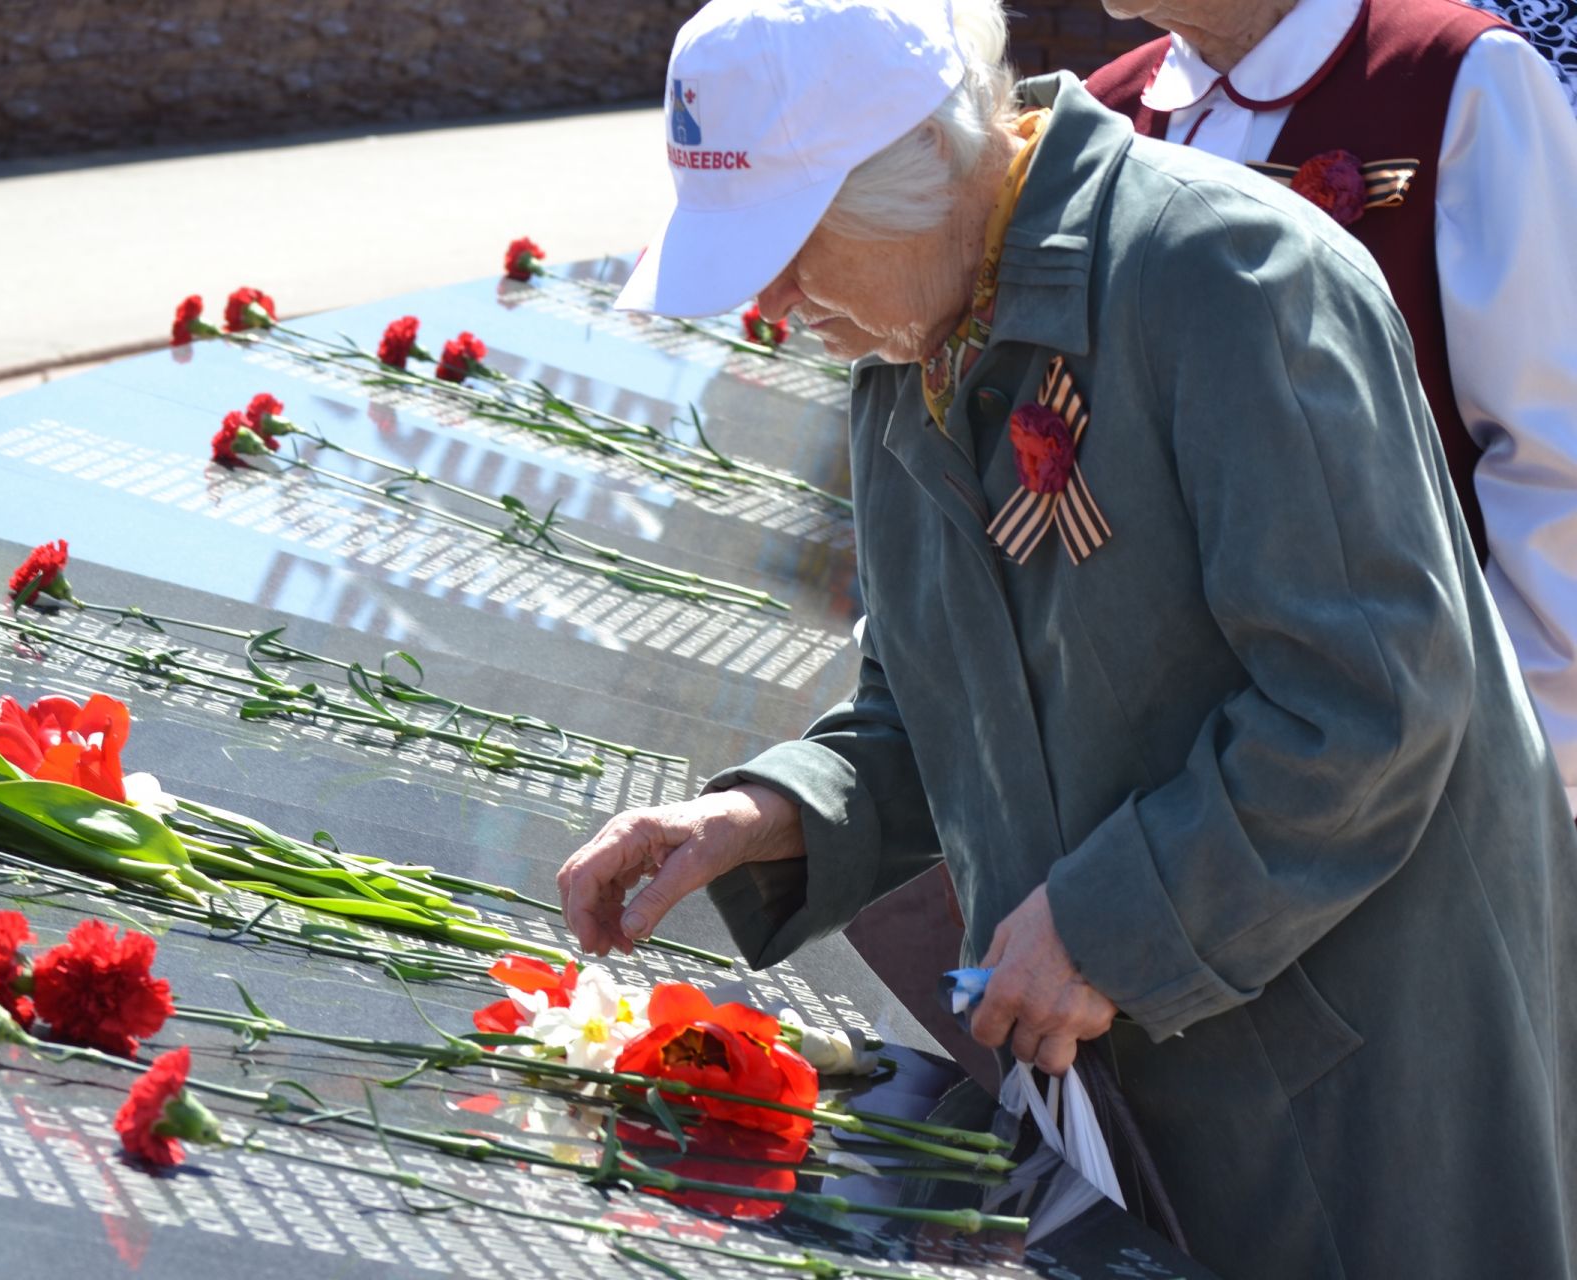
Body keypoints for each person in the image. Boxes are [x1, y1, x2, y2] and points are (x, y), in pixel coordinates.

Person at [556, 0, 1577, 1276]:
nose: (768, 298)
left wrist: (1103, 923)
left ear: (915, 167)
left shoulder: (1227, 276)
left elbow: (1367, 701)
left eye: (791, 244)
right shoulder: (909, 333)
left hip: (1351, 1077)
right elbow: (935, 691)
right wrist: (764, 811)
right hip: (1138, 1083)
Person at [1086, 0, 1577, 814]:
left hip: (1425, 791)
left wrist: (1500, 763)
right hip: (1180, 812)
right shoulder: (1106, 113)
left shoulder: (1456, 74)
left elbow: (1553, 453)